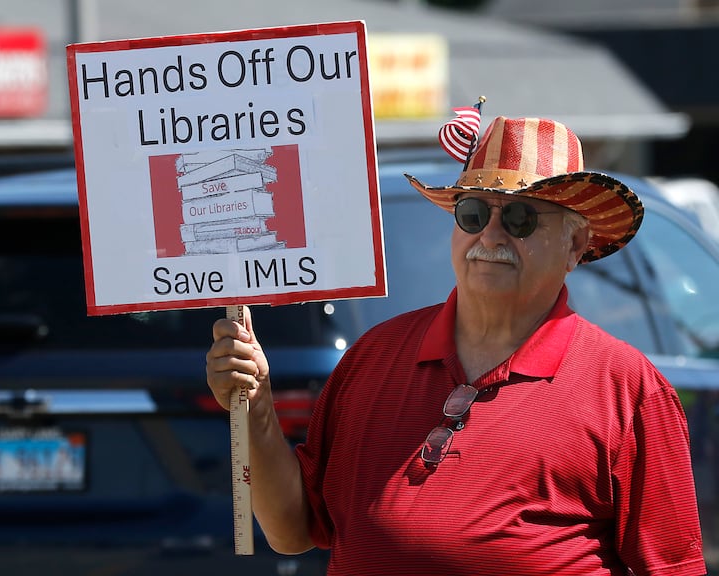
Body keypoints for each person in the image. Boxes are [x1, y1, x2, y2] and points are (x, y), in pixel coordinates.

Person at [205, 114, 706, 575]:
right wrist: (256, 408)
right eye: (472, 213)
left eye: (520, 219)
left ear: (574, 245)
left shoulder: (627, 387)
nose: (490, 234)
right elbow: (292, 531)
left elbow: (672, 565)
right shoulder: (372, 357)